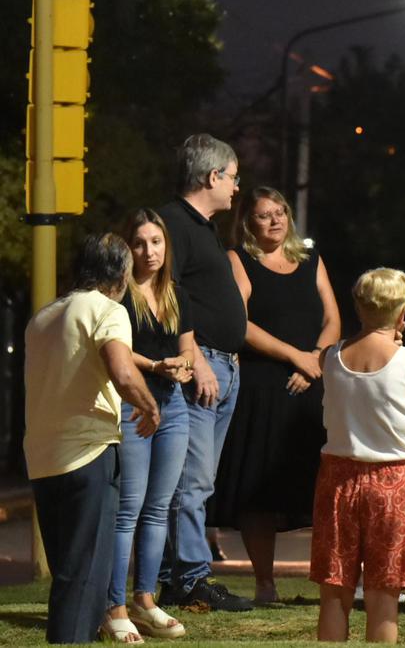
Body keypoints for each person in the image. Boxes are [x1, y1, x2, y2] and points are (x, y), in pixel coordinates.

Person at [25, 233, 160, 644]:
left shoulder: (44, 317)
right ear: (119, 274)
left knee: (68, 575)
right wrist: (149, 406)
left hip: (44, 458)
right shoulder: (107, 309)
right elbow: (122, 372)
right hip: (88, 453)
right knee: (85, 579)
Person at [209, 186, 341, 604]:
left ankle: (331, 580)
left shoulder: (311, 259)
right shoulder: (238, 260)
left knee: (323, 487)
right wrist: (294, 356)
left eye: (280, 212)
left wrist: (314, 359)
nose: (275, 220)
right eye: (264, 215)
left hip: (311, 386)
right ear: (248, 222)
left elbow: (333, 318)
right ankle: (265, 583)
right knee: (259, 491)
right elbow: (241, 324)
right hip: (263, 387)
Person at [310, 268, 405, 643]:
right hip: (393, 481)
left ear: (358, 308)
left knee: (334, 592)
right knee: (384, 596)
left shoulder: (330, 358)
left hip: (337, 478)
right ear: (403, 312)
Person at [156, 133, 251, 612]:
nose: (236, 188)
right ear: (213, 176)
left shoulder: (201, 226)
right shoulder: (174, 223)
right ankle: (189, 580)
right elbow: (166, 293)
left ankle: (181, 576)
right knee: (189, 483)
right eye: (233, 178)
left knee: (199, 483)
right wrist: (193, 357)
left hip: (221, 365)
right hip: (203, 367)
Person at [105, 210, 196, 643]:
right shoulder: (120, 295)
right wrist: (158, 365)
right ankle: (114, 606)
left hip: (173, 405)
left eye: (156, 242)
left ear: (166, 245)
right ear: (128, 248)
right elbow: (119, 351)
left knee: (159, 508)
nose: (149, 251)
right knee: (129, 509)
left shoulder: (175, 293)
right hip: (133, 405)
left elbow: (189, 347)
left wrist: (184, 366)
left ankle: (145, 599)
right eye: (140, 243)